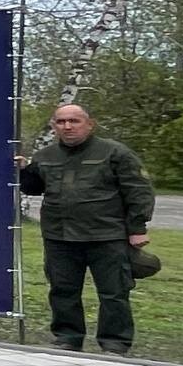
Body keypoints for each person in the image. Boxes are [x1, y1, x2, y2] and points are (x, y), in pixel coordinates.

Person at [19, 101, 155, 353]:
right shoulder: (45, 156)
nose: (67, 126)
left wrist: (137, 228)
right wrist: (24, 170)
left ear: (90, 124)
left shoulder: (115, 152)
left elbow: (138, 191)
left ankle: (115, 343)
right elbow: (34, 188)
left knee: (114, 292)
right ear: (54, 126)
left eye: (74, 121)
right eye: (61, 122)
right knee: (62, 290)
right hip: (59, 236)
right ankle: (67, 338)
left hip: (106, 235)